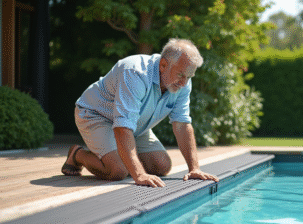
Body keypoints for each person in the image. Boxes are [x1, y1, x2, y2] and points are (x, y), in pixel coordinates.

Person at [61, 38, 219, 187]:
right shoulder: (135, 72)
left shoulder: (182, 82)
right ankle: (77, 155)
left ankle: (117, 156)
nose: (184, 82)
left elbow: (182, 124)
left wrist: (194, 169)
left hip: (134, 123)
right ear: (163, 65)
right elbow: (122, 127)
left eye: (189, 77)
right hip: (96, 115)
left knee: (162, 165)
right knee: (118, 171)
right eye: (181, 75)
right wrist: (139, 174)